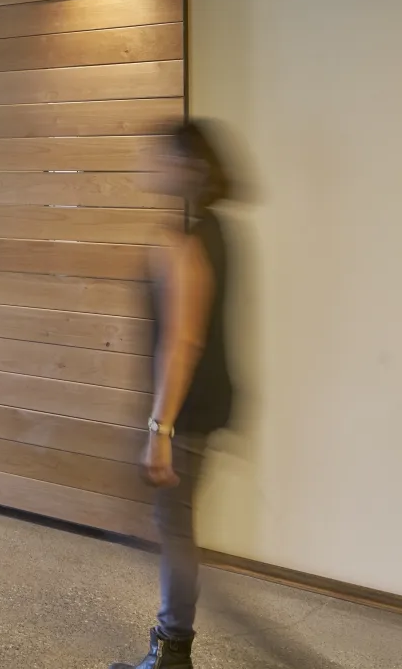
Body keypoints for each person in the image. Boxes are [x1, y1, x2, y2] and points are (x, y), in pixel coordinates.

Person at [111, 120, 236, 669]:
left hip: (184, 412)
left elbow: (182, 340)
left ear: (188, 166)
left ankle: (172, 653)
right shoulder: (215, 227)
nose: (150, 164)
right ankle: (172, 647)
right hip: (208, 403)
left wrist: (159, 431)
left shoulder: (182, 238)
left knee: (176, 532)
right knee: (178, 528)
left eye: (160, 156)